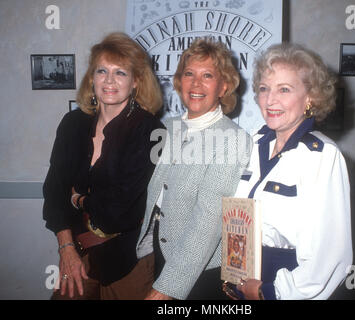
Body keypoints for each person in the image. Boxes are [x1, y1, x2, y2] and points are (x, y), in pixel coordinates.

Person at [43, 32, 164, 299]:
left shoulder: (152, 131)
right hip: (75, 254)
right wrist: (66, 248)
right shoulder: (72, 124)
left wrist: (78, 200)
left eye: (120, 72)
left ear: (135, 82)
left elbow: (116, 213)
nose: (109, 80)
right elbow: (53, 191)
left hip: (128, 262)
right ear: (92, 79)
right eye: (102, 71)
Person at [231, 43, 352, 300]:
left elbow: (330, 256)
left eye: (284, 89)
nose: (270, 99)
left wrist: (270, 292)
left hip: (283, 286)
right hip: (240, 277)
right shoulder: (251, 144)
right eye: (264, 89)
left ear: (310, 98)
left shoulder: (322, 156)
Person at [136, 38, 252, 300]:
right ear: (179, 82)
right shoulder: (167, 128)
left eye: (207, 75)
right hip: (160, 252)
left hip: (200, 269)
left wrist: (166, 287)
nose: (196, 83)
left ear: (223, 87)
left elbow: (209, 221)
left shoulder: (233, 139)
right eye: (189, 74)